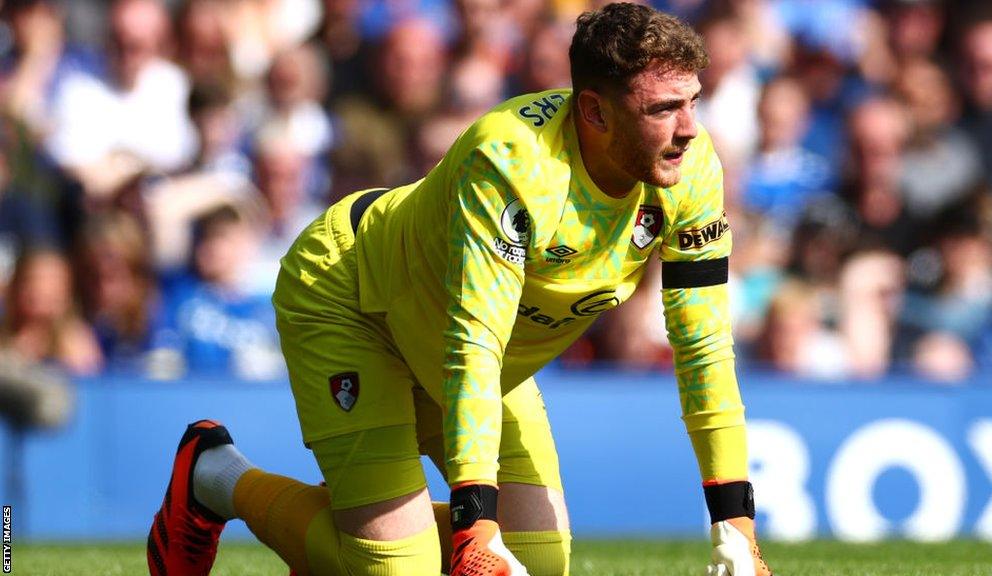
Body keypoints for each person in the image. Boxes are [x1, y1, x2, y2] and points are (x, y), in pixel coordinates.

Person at [147, 4, 773, 576]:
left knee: (541, 563)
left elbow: (705, 346)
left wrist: (735, 526)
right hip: (355, 299)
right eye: (663, 108)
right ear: (594, 112)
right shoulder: (510, 164)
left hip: (475, 347)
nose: (690, 128)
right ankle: (215, 476)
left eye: (693, 101)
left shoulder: (690, 170)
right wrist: (476, 528)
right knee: (399, 569)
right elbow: (474, 340)